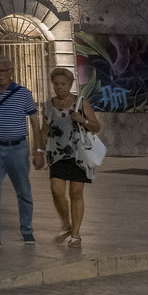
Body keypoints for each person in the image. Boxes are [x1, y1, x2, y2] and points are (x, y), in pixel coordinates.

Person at [0, 57, 45, 247]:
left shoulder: (23, 94)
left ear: (10, 72)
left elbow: (34, 122)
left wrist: (38, 151)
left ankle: (27, 231)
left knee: (23, 191)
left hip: (18, 149)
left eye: (2, 71)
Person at [43, 66, 101, 248]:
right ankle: (66, 224)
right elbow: (44, 129)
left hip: (78, 154)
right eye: (56, 84)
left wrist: (82, 119)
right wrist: (39, 151)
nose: (59, 87)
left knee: (76, 193)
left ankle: (75, 234)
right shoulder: (48, 104)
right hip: (57, 153)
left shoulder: (81, 102)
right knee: (56, 191)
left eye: (63, 84)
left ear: (70, 84)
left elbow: (96, 127)